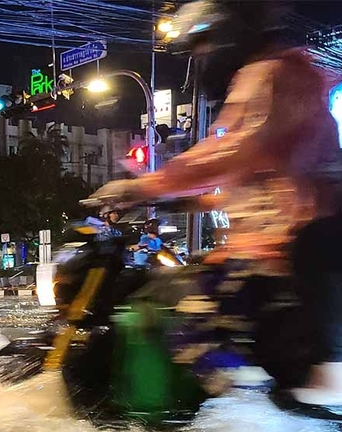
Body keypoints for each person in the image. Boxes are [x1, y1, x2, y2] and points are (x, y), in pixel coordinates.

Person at [88, 0, 342, 404]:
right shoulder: (289, 73)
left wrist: (142, 188)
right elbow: (260, 176)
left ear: (227, 36)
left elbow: (231, 153)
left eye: (203, 47)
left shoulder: (269, 76)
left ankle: (246, 416)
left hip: (279, 251)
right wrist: (180, 203)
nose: (201, 60)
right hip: (289, 246)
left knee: (193, 323)